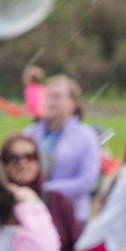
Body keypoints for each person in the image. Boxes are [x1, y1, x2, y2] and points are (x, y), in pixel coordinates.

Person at [0, 131, 78, 251]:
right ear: (3, 164)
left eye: (30, 156)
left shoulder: (58, 201)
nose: (23, 163)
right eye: (14, 158)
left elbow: (75, 249)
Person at [25, 75, 102, 235]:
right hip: (32, 215)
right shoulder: (29, 133)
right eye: (48, 96)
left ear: (73, 104)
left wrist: (44, 189)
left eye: (57, 97)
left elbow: (87, 181)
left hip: (71, 216)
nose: (51, 101)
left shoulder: (86, 137)